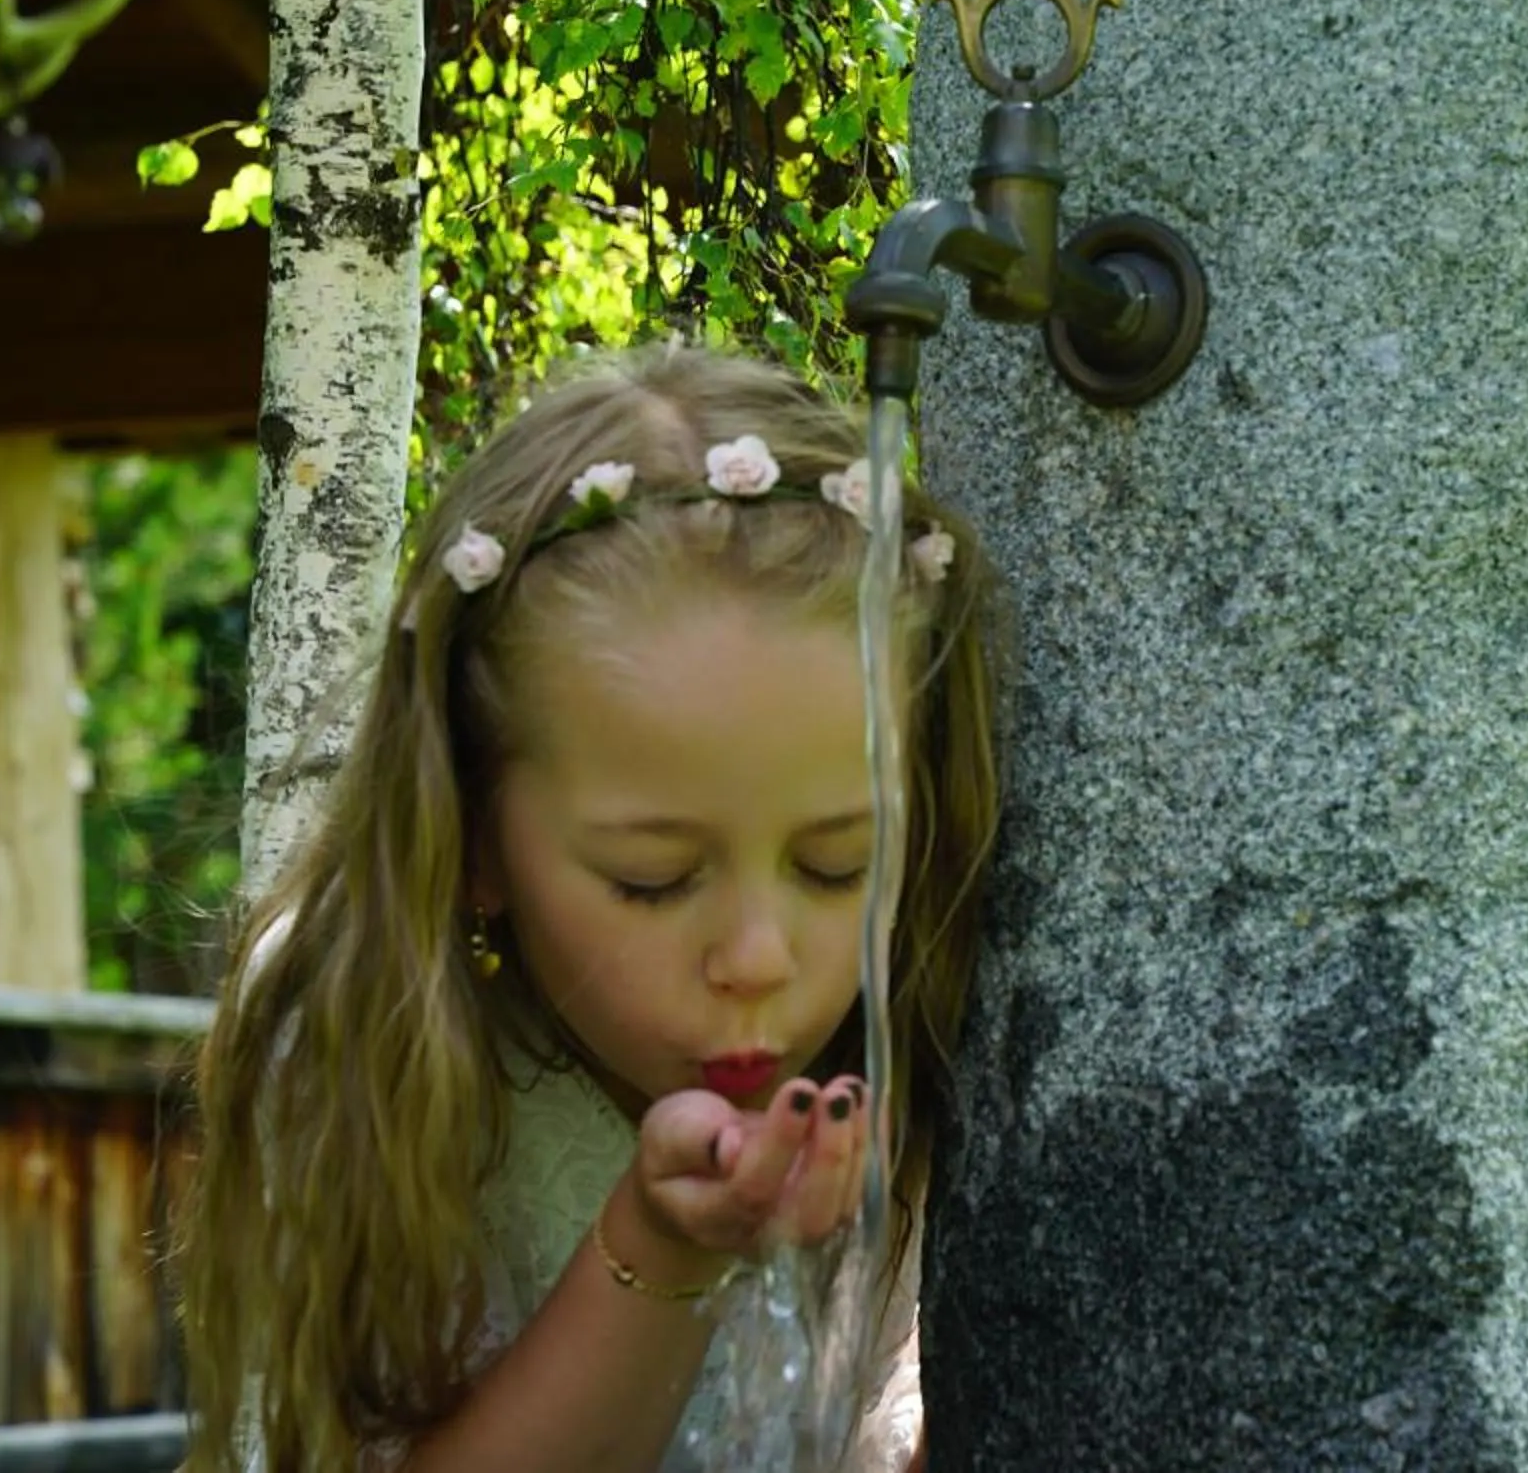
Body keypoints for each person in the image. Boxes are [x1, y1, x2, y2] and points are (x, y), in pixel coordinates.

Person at [176, 340, 1002, 1472]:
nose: (758, 958)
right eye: (653, 881)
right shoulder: (363, 1035)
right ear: (470, 834)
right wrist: (657, 1253)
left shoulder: (922, 1015)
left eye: (836, 866)